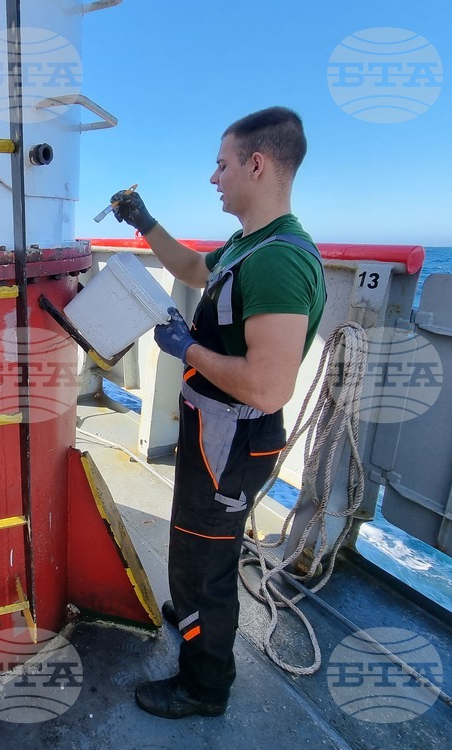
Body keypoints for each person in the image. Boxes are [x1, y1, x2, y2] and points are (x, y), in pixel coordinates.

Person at [111, 106, 326, 718]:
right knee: (192, 540)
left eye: (222, 164)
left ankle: (204, 686)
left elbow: (267, 388)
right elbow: (189, 267)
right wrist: (144, 221)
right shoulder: (246, 244)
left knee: (205, 559)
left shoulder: (279, 261)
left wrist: (189, 349)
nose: (213, 177)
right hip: (212, 429)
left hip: (234, 439)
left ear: (256, 165)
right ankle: (192, 612)